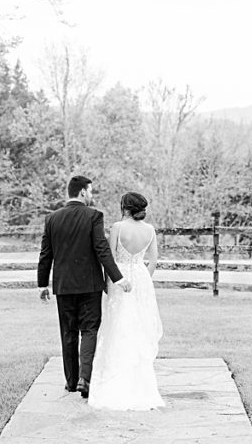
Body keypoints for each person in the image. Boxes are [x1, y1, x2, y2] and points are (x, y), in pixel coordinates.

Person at [38, 175, 128, 398]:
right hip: (89, 286)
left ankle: (70, 382)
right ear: (81, 193)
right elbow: (101, 249)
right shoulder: (94, 215)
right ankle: (84, 379)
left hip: (63, 286)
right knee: (89, 330)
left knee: (68, 332)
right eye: (90, 191)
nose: (91, 195)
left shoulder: (52, 219)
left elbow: (45, 254)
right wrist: (118, 278)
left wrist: (42, 284)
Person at [88, 191, 164, 411]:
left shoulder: (118, 227)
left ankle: (116, 380)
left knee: (118, 325)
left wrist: (107, 282)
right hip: (141, 278)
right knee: (139, 325)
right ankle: (140, 382)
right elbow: (153, 261)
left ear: (125, 207)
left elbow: (108, 258)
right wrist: (143, 280)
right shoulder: (149, 230)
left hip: (118, 279)